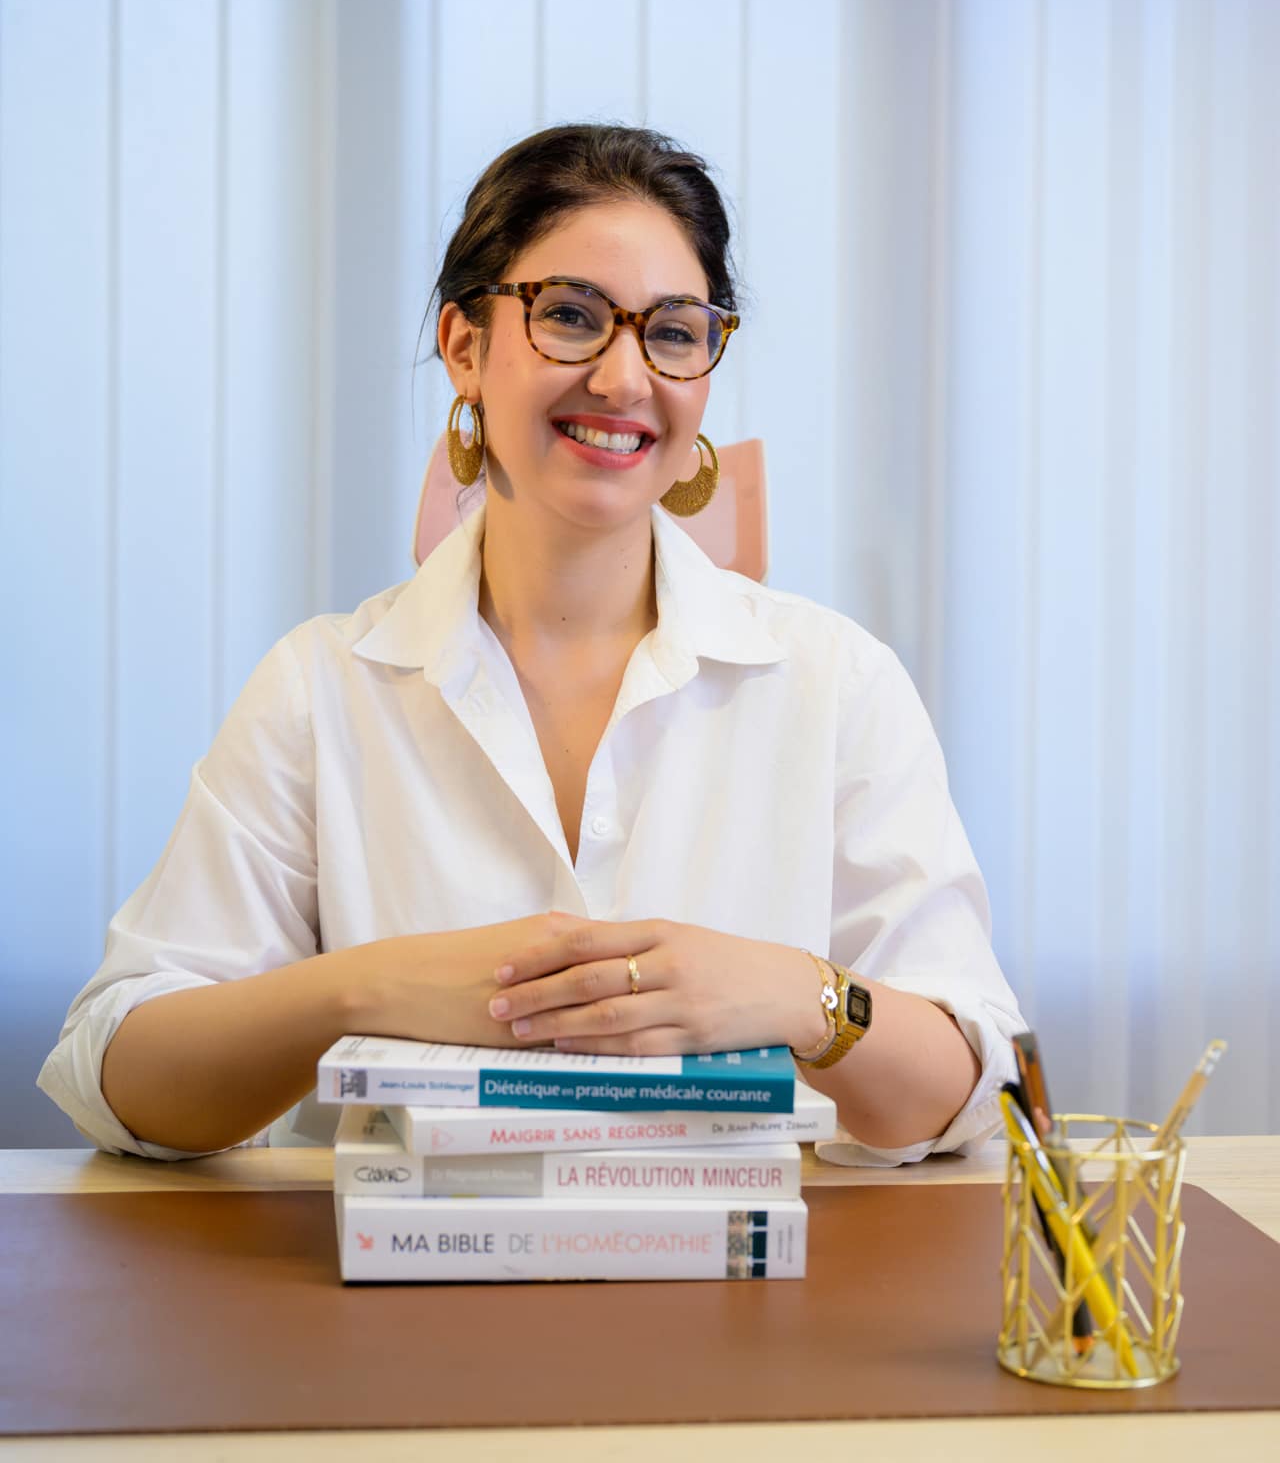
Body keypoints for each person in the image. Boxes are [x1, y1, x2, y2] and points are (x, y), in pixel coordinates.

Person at [39, 123, 1024, 1164]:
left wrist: (799, 993)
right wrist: (365, 989)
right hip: (404, 1306)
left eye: (673, 332)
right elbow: (120, 1081)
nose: (621, 377)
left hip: (748, 1306)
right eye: (568, 317)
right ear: (465, 347)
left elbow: (962, 1090)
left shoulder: (835, 682)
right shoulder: (322, 686)